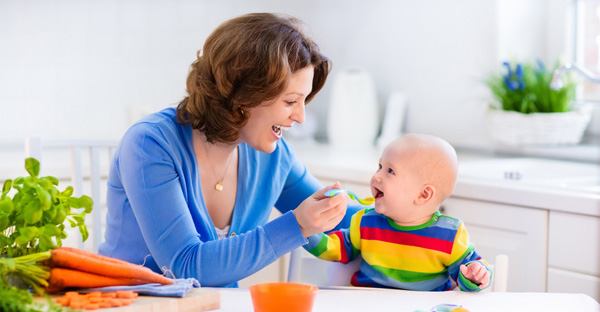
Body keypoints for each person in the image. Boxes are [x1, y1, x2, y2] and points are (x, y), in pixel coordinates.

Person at [98, 13, 359, 287]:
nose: (301, 117)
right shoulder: (150, 144)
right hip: (131, 303)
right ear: (245, 96)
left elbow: (339, 220)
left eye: (303, 100)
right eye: (291, 101)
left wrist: (396, 209)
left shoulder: (274, 157)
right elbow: (185, 266)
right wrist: (297, 226)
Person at [304, 134, 493, 291]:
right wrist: (306, 230)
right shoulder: (366, 222)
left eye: (390, 171)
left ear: (423, 194)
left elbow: (468, 271)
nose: (376, 176)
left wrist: (475, 275)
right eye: (380, 167)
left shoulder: (450, 235)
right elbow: (337, 249)